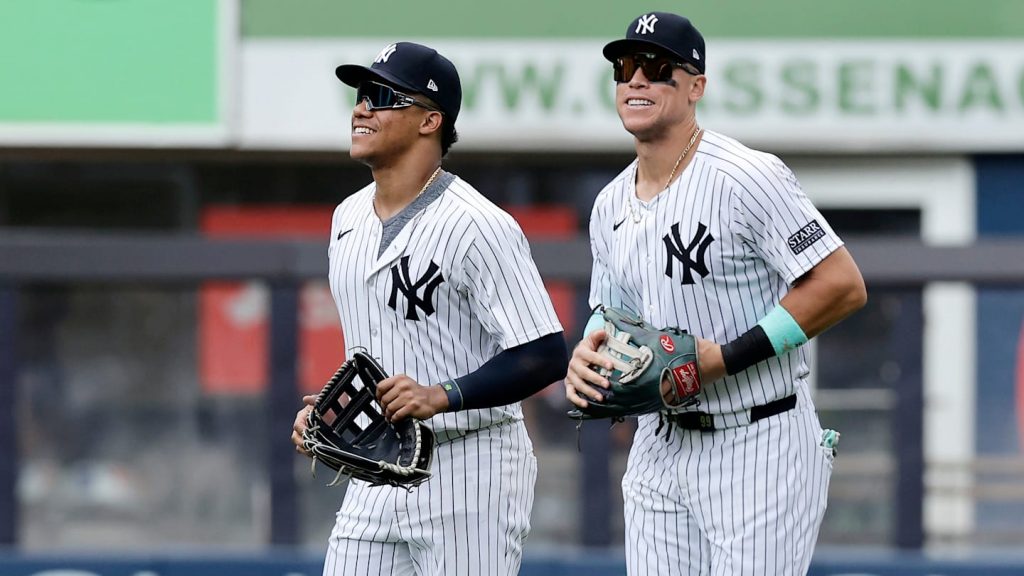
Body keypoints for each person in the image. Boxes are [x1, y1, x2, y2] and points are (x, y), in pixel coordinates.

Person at [565, 13, 867, 575]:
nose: (636, 81)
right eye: (624, 67)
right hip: (660, 443)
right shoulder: (609, 203)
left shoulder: (747, 175)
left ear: (696, 86)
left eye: (656, 68)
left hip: (758, 439)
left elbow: (841, 285)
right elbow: (610, 314)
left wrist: (724, 359)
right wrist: (588, 354)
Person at [290, 42, 567, 576]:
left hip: (471, 466)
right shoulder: (347, 219)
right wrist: (326, 415)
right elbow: (385, 348)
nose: (361, 108)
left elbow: (545, 353)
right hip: (377, 463)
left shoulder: (478, 224)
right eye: (360, 95)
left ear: (429, 120)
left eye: (382, 96)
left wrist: (441, 394)